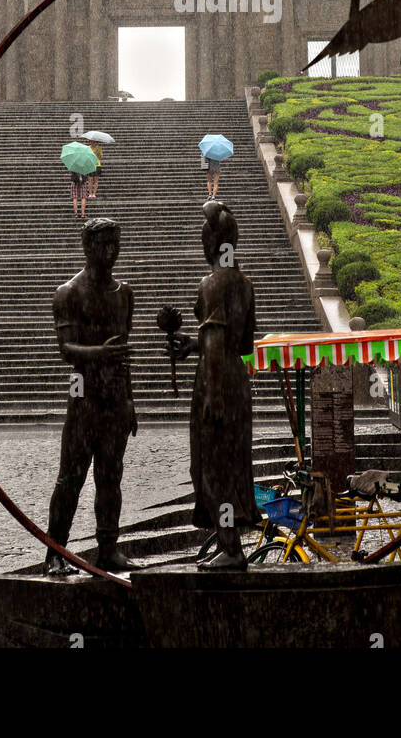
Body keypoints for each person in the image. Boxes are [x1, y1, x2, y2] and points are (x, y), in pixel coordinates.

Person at [43, 217, 137, 576]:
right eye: (103, 245)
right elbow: (66, 348)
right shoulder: (69, 293)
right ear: (88, 247)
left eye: (116, 244)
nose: (110, 252)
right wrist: (101, 353)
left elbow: (124, 355)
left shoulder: (124, 293)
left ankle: (108, 548)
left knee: (111, 478)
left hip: (115, 398)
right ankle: (55, 550)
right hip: (83, 397)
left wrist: (130, 401)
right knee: (71, 477)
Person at [170, 201, 258, 569]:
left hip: (216, 380)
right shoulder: (244, 283)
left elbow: (216, 340)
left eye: (204, 236)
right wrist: (193, 344)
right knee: (234, 463)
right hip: (237, 377)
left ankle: (230, 547)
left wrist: (213, 391)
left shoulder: (211, 283)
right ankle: (230, 542)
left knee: (210, 468)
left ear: (215, 242)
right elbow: (243, 343)